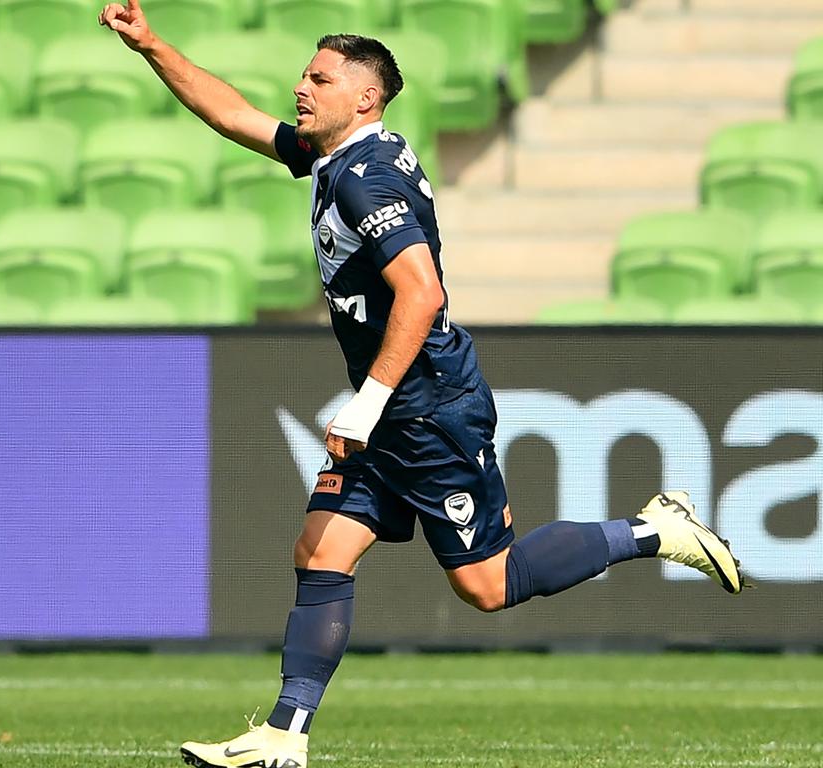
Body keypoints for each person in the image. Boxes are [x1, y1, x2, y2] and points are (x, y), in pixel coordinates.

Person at [99, 5, 749, 767]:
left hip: (426, 409)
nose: (301, 88)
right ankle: (283, 736)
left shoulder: (367, 181)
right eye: (306, 74)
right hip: (395, 410)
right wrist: (150, 46)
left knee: (488, 583)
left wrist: (366, 403)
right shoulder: (335, 155)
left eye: (320, 79)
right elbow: (233, 114)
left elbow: (423, 293)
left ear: (365, 99)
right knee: (320, 549)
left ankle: (657, 530)